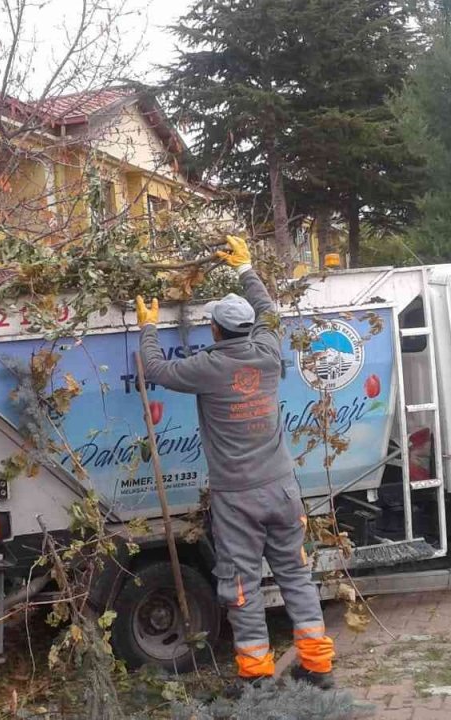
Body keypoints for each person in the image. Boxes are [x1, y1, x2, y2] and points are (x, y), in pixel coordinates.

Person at [134, 235, 335, 690]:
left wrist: (148, 327)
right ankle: (318, 667)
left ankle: (256, 677)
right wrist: (245, 268)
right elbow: (269, 313)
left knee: (242, 589)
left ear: (216, 332)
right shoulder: (267, 353)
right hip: (283, 490)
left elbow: (157, 371)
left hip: (238, 499)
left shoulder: (207, 367)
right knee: (297, 578)